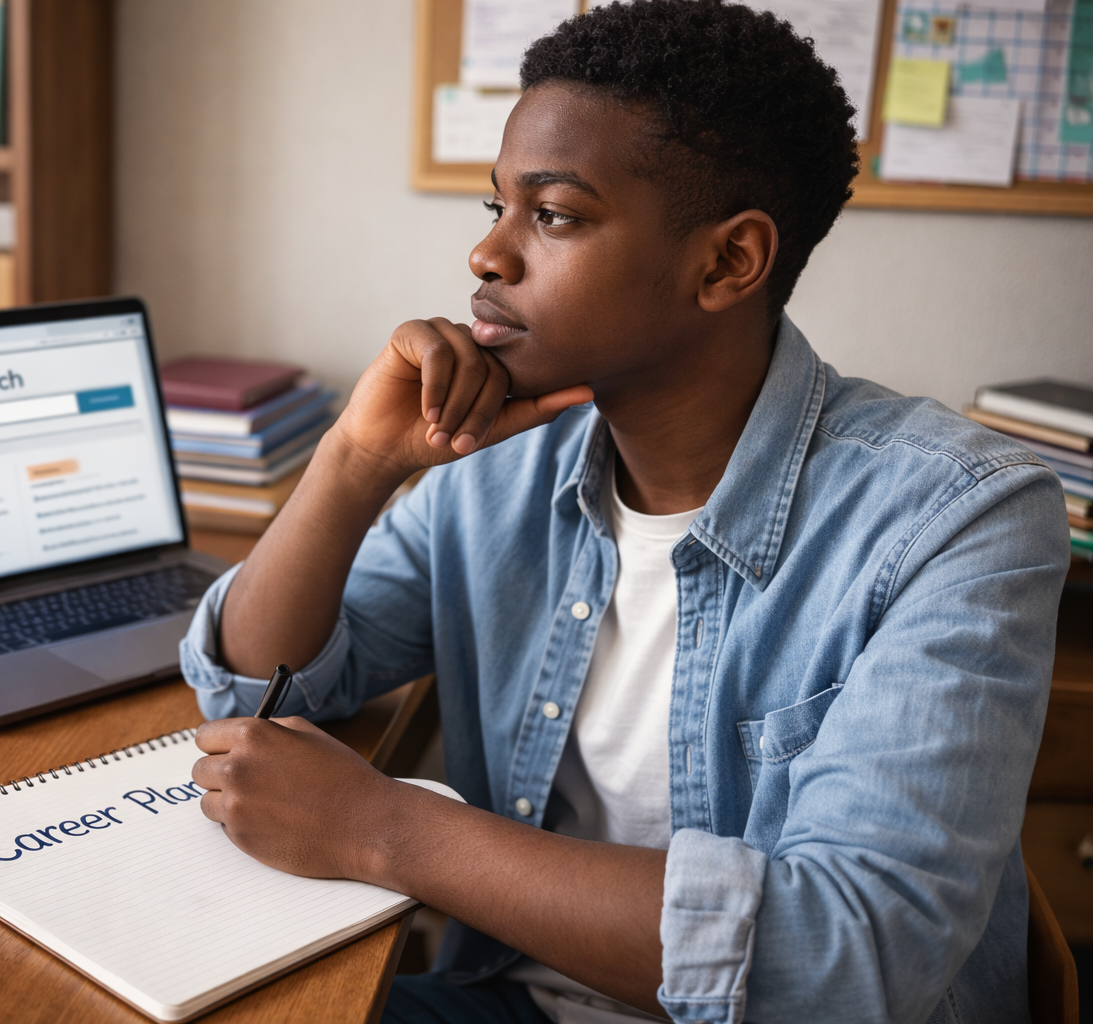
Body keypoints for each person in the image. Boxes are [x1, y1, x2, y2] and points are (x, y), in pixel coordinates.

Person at [178, 2, 1068, 1021]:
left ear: (728, 262)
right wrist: (351, 463)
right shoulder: (499, 469)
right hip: (517, 997)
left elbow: (848, 957)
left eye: (552, 214)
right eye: (494, 206)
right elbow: (253, 696)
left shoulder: (962, 518)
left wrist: (386, 830)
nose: (488, 256)